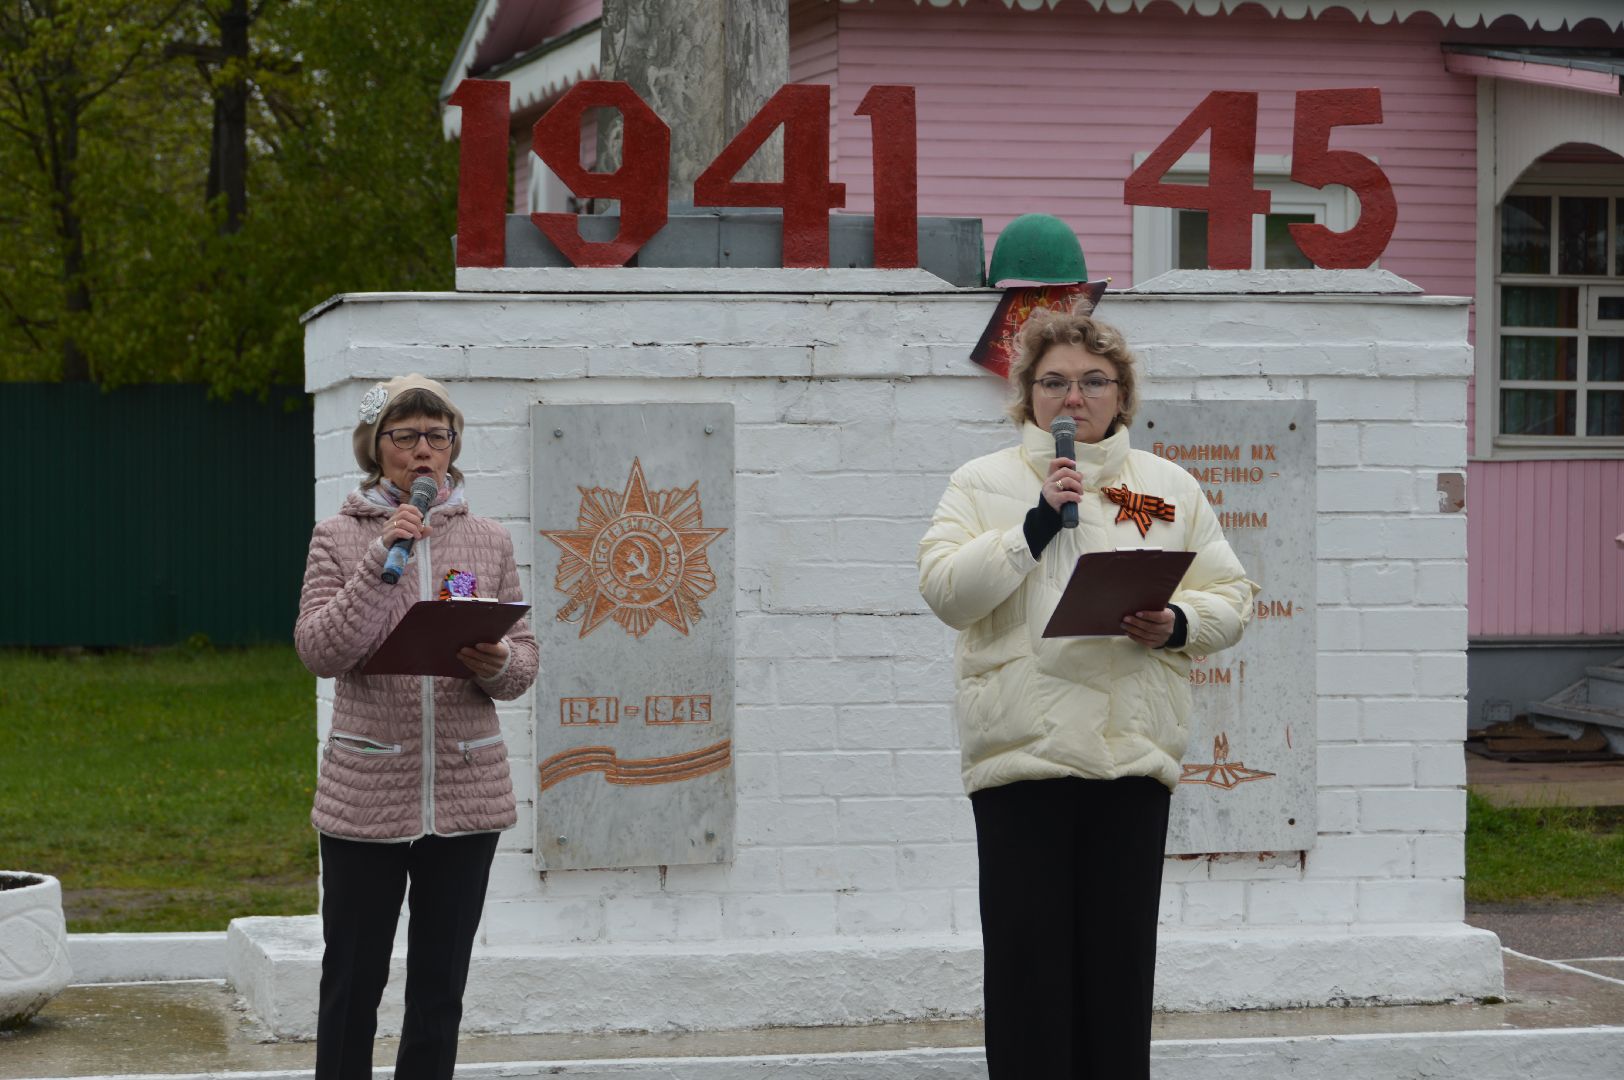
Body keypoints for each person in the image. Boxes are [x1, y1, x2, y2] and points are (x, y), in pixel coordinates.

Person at [917, 310, 1257, 1079]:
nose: (1075, 397)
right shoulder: (983, 483)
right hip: (1022, 766)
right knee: (1027, 977)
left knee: (1118, 975)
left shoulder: (1169, 488)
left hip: (1130, 762)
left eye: (1093, 381)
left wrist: (1176, 622)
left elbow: (1233, 597)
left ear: (1121, 393)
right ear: (1029, 397)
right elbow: (946, 593)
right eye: (1055, 381)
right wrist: (1032, 527)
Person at [295, 374, 539, 1080]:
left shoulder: (488, 538)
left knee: (439, 991)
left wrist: (495, 663)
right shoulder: (337, 538)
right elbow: (320, 650)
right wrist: (382, 557)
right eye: (406, 437)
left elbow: (524, 662)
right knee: (352, 986)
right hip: (367, 797)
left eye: (438, 435)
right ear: (377, 449)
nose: (424, 450)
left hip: (467, 796)